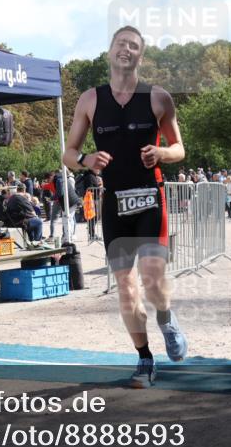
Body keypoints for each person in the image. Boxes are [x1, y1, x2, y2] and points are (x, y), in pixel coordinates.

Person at [61, 25, 187, 389]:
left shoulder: (158, 98)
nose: (126, 50)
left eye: (133, 46)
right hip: (114, 203)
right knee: (126, 288)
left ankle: (165, 316)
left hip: (150, 197)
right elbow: (68, 153)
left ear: (140, 57)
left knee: (152, 280)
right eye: (121, 44)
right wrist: (86, 159)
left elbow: (180, 149)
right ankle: (145, 360)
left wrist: (161, 152)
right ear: (110, 51)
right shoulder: (89, 100)